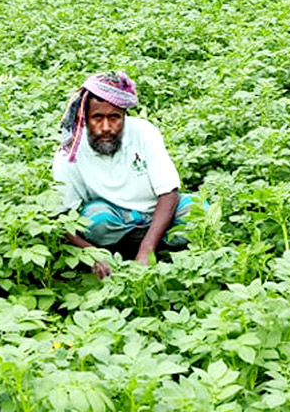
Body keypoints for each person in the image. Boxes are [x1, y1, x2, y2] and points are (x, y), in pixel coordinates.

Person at [53, 71, 197, 279]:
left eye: (114, 118)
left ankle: (151, 247)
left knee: (199, 212)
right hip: (113, 221)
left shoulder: (144, 133)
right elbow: (61, 215)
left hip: (156, 214)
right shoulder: (70, 151)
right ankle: (118, 255)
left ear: (124, 116)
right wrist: (91, 253)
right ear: (85, 118)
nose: (106, 128)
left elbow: (169, 192)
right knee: (95, 218)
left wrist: (147, 249)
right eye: (97, 118)